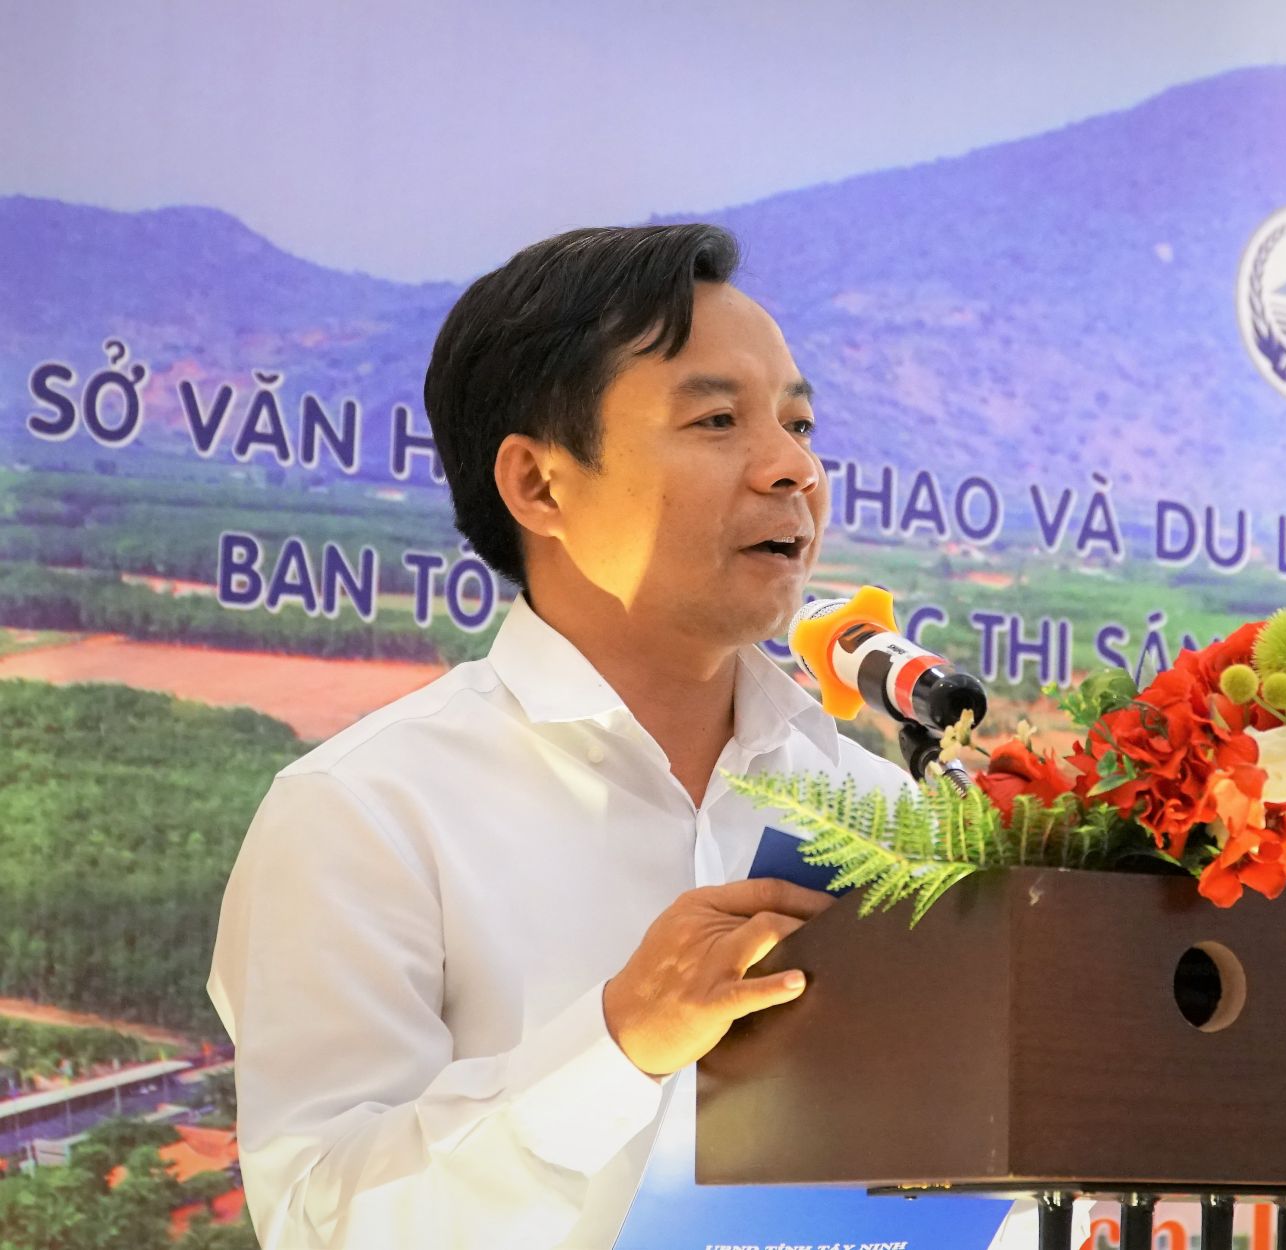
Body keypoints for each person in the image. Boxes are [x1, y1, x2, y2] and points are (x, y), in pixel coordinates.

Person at [208, 224, 1015, 1247]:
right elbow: (323, 1223)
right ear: (540, 485)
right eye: (717, 420)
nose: (793, 469)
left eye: (800, 424)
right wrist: (619, 1041)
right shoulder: (365, 815)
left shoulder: (891, 815)